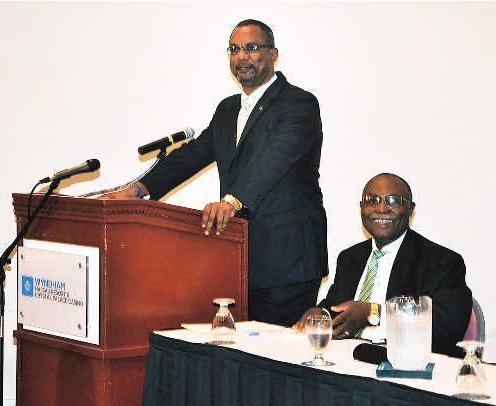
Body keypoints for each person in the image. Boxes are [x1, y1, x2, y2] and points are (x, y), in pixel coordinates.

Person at [101, 19, 328, 326]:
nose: (241, 56)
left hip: (287, 262)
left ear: (273, 54)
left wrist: (233, 201)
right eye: (234, 49)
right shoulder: (227, 109)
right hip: (237, 258)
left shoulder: (298, 104)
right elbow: (193, 154)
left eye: (251, 47)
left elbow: (274, 159)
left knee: (276, 362)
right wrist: (137, 190)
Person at [293, 173, 472, 357]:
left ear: (411, 209)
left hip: (401, 369)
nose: (381, 208)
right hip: (345, 361)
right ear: (362, 208)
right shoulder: (350, 257)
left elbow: (448, 327)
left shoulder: (442, 261)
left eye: (393, 200)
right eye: (372, 200)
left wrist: (374, 313)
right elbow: (336, 307)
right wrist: (320, 313)